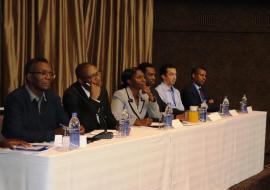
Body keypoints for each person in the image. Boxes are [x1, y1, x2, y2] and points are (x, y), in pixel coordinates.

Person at [1, 57, 72, 142]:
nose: (48, 77)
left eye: (50, 74)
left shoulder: (53, 97)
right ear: (29, 77)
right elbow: (13, 133)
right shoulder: (15, 99)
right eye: (43, 73)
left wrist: (73, 128)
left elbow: (65, 122)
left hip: (51, 147)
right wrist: (52, 134)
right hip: (24, 150)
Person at [63, 63, 117, 132]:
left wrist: (116, 125)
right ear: (81, 81)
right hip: (87, 133)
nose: (98, 78)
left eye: (98, 73)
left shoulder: (102, 90)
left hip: (103, 131)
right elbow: (80, 121)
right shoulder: (71, 94)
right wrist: (93, 100)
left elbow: (108, 113)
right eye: (93, 76)